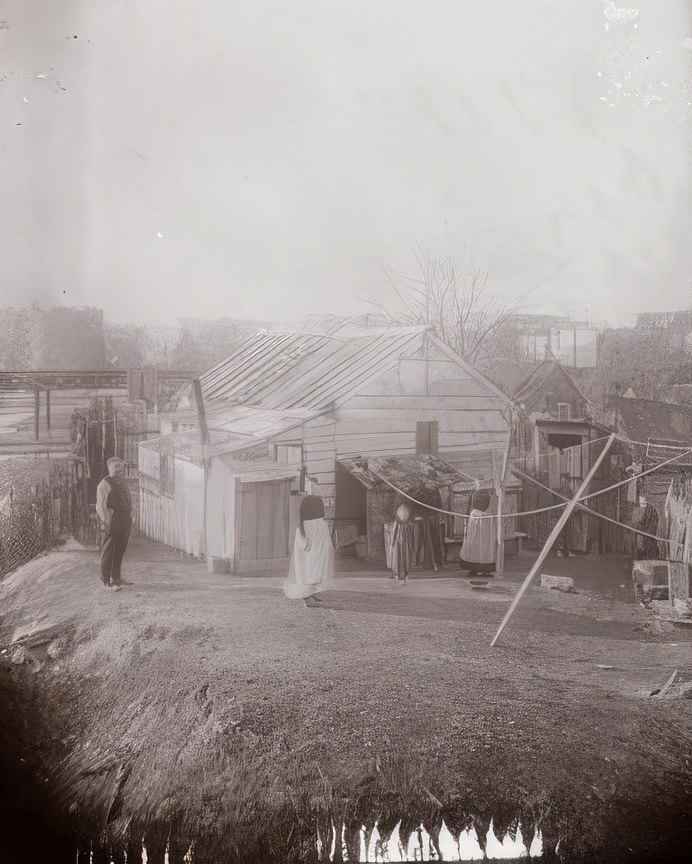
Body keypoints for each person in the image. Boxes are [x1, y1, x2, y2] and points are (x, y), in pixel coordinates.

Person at [283, 495, 334, 607]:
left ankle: (310, 593)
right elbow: (325, 542)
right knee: (315, 572)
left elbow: (303, 544)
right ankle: (307, 595)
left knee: (308, 572)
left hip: (310, 555)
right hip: (317, 555)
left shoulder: (305, 524)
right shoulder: (320, 524)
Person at [96, 456, 133, 590]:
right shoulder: (104, 484)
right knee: (109, 550)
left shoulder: (122, 482)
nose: (118, 470)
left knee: (120, 549)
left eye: (120, 467)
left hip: (125, 518)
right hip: (113, 519)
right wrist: (105, 521)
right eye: (115, 467)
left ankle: (116, 578)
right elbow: (100, 505)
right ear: (109, 468)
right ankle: (106, 580)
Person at [459, 490, 496, 576]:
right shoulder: (474, 513)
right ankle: (473, 569)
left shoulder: (486, 515)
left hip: (484, 538)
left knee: (483, 550)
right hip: (475, 538)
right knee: (474, 550)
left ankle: (485, 569)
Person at [390, 503, 415, 582]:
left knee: (406, 558)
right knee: (398, 557)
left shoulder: (408, 525)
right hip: (399, 543)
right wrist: (392, 544)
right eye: (402, 512)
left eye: (405, 512)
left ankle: (406, 574)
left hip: (406, 543)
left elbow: (412, 535)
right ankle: (399, 574)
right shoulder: (397, 523)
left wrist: (411, 544)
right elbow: (394, 534)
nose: (404, 514)